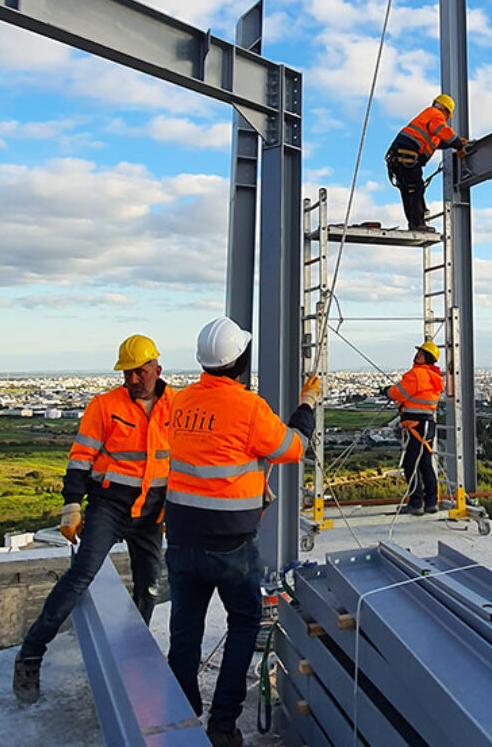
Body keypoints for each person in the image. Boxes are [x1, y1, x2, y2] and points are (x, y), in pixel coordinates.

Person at [165, 317, 319, 747]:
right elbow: (292, 448)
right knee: (245, 623)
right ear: (242, 361)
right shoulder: (249, 409)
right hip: (230, 545)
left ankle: (182, 713)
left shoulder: (180, 403)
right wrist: (306, 405)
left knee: (185, 629)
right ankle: (222, 725)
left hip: (180, 538)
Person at [13, 334, 174, 704]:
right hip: (110, 507)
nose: (134, 379)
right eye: (127, 373)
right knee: (81, 574)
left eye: (140, 371)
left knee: (149, 583)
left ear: (157, 369)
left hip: (152, 513)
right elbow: (81, 457)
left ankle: (135, 653)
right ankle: (31, 654)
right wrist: (72, 503)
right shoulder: (104, 406)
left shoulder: (176, 407)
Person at [385, 93, 469, 231]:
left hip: (398, 157)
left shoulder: (426, 118)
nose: (446, 119)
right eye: (448, 115)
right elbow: (441, 130)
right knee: (416, 188)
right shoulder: (435, 114)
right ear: (444, 110)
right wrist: (458, 144)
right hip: (408, 156)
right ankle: (418, 224)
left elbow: (436, 141)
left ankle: (415, 223)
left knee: (408, 190)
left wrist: (455, 143)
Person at [381, 340, 444, 515]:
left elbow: (398, 393)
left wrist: (386, 391)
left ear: (428, 357)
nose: (417, 355)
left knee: (411, 464)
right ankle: (431, 501)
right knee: (425, 463)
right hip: (427, 424)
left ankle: (416, 503)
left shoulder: (416, 375)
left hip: (415, 425)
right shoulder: (435, 376)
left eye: (421, 353)